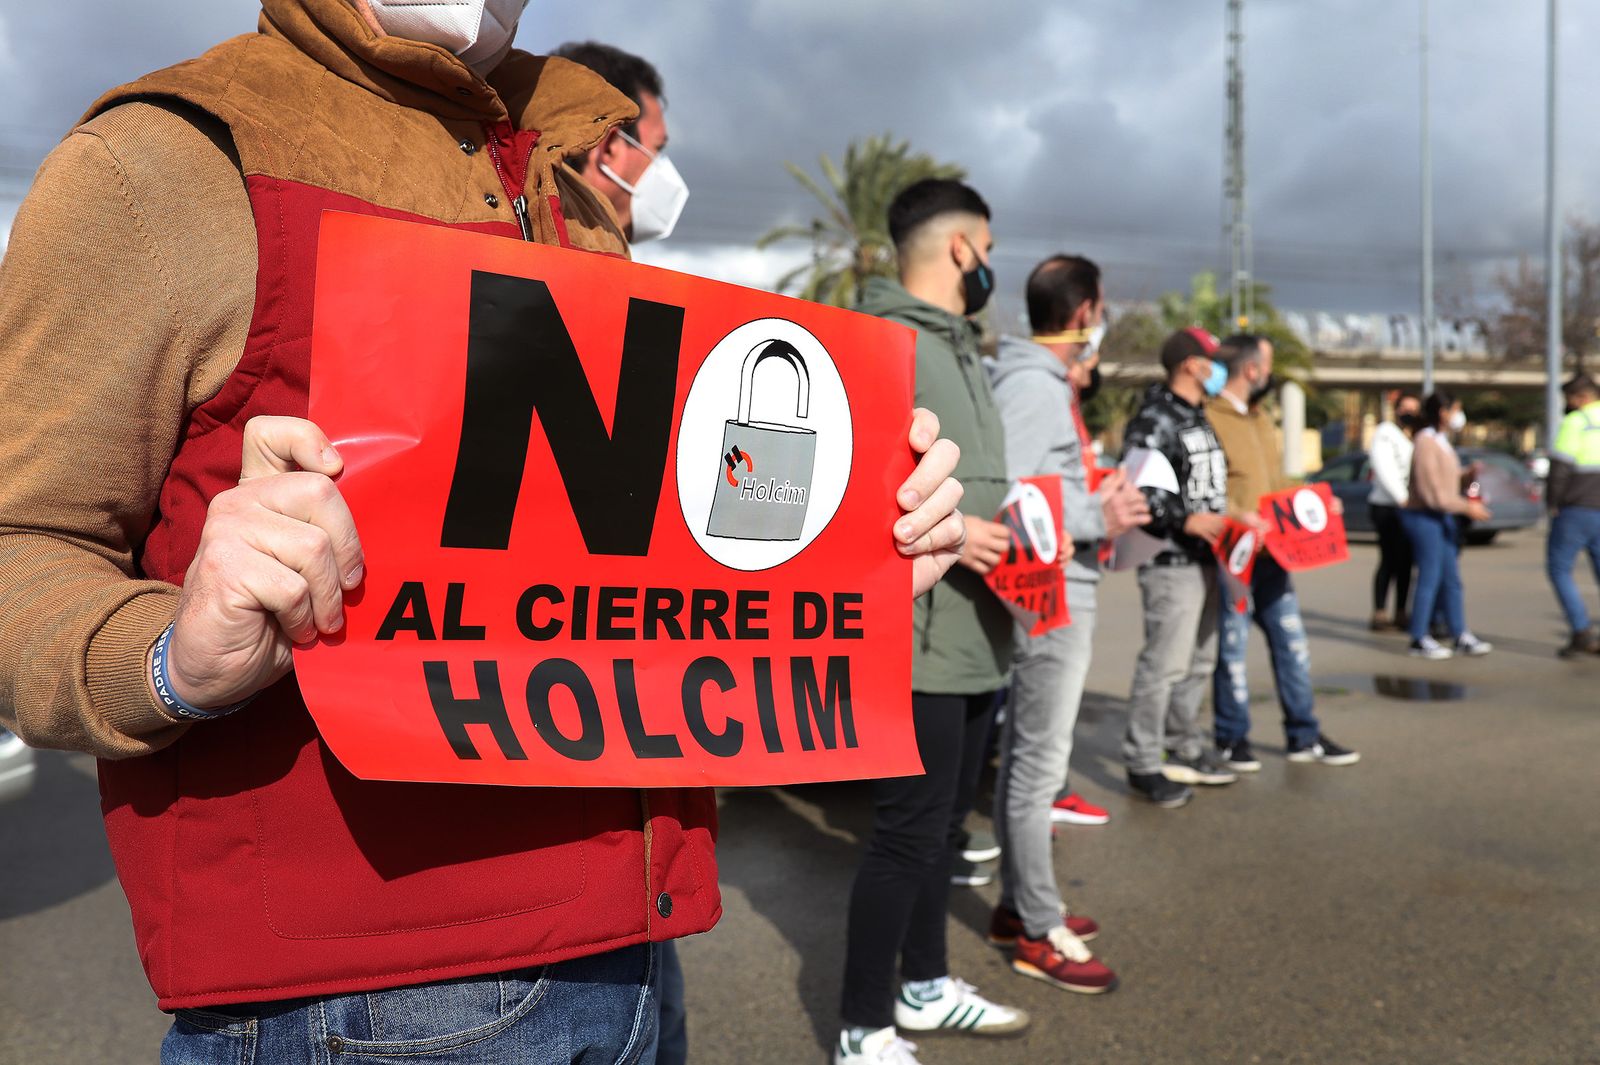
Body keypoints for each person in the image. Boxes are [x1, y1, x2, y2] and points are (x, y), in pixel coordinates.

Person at [0, 3, 968, 1061]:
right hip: (357, 991)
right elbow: (26, 539)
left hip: (637, 941)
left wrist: (854, 554)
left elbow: (627, 549)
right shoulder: (163, 160)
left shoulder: (572, 186)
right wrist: (171, 656)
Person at [836, 178, 1029, 1065]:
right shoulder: (887, 342)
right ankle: (861, 1024)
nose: (992, 264)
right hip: (917, 639)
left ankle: (923, 986)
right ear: (964, 249)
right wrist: (965, 532)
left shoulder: (961, 343)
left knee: (940, 831)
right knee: (906, 834)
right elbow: (843, 498)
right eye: (988, 248)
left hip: (979, 630)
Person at [984, 255, 1148, 995]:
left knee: (1031, 757)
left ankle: (1021, 905)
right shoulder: (1032, 384)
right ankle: (1034, 923)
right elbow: (1012, 497)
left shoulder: (1043, 383)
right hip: (1048, 587)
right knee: (1039, 764)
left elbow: (1041, 479)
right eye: (1103, 308)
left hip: (1060, 579)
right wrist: (1095, 511)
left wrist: (1091, 490)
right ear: (1085, 310)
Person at [1205, 335, 1360, 770]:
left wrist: (1315, 502)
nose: (1270, 373)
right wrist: (1238, 516)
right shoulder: (1208, 419)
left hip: (1275, 556)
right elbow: (1205, 492)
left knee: (1292, 645)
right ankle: (1232, 739)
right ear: (1252, 370)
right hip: (1234, 556)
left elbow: (1276, 484)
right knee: (1231, 652)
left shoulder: (1259, 419)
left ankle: (1303, 736)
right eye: (1268, 363)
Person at [1120, 328, 1239, 808]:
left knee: (1200, 661)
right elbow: (1140, 491)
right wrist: (1186, 520)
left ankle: (1184, 745)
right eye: (1214, 360)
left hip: (1208, 559)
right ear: (1192, 364)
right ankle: (1143, 760)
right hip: (1169, 560)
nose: (1219, 369)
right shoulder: (1154, 417)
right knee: (1164, 664)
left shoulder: (1197, 416)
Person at [553, 40, 686, 242]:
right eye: (657, 148)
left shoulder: (515, 227)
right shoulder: (578, 264)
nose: (661, 165)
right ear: (610, 148)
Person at [1401, 391, 1494, 659]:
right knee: (1429, 578)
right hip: (1425, 516)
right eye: (1456, 409)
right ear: (1443, 412)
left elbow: (1449, 482)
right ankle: (1419, 637)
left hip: (1442, 516)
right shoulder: (1425, 442)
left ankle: (1459, 634)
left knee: (1452, 580)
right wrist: (1468, 508)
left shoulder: (1441, 440)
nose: (1458, 416)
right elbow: (1433, 494)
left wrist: (1469, 475)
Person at [1546, 374, 1600, 658]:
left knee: (1559, 568)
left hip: (1576, 509)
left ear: (1580, 398)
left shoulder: (1575, 423)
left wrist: (1552, 503)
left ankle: (1581, 630)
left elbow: (1560, 469)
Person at [1369, 390, 1422, 632]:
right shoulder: (1386, 433)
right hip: (1388, 507)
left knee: (1406, 563)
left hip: (1410, 508)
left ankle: (1401, 611)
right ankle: (1380, 612)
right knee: (1389, 560)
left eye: (1414, 409)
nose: (1409, 413)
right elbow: (1385, 468)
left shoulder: (1415, 437)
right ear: (1397, 410)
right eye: (1405, 408)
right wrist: (1402, 499)